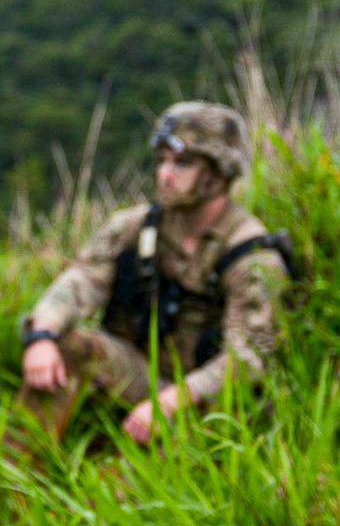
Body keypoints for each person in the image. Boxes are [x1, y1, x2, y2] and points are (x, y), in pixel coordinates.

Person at [18, 101, 291, 445]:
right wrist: (41, 335)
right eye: (161, 161)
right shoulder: (136, 226)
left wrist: (170, 402)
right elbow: (82, 281)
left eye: (182, 163)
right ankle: (9, 485)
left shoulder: (251, 256)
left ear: (219, 175)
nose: (165, 175)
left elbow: (248, 359)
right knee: (65, 343)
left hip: (209, 402)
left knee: (120, 490)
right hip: (144, 376)